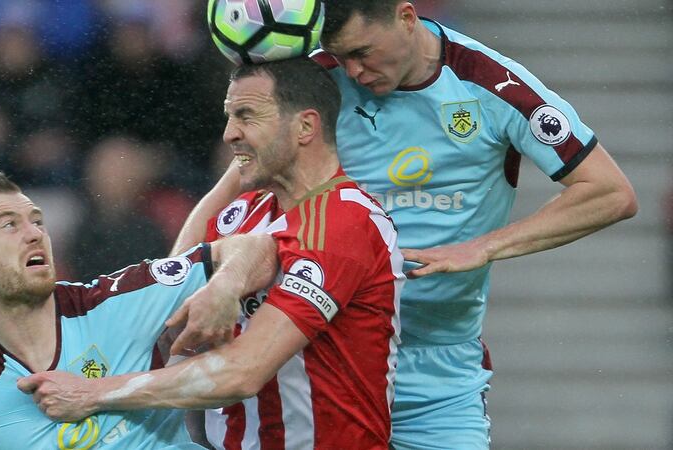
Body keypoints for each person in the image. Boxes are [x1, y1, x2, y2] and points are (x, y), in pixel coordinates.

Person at [169, 2, 639, 449]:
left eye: (361, 53)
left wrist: (484, 247)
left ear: (406, 17)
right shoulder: (323, 82)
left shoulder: (492, 86)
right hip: (322, 355)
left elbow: (610, 192)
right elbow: (229, 192)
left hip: (436, 371)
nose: (352, 71)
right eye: (340, 56)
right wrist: (171, 286)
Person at [18, 57, 405, 449]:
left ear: (305, 126)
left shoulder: (346, 222)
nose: (228, 134)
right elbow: (168, 286)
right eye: (228, 116)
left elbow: (244, 372)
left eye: (247, 116)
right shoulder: (244, 212)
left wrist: (93, 393)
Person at [0, 168, 278, 450]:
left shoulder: (114, 302)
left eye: (37, 221)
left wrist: (223, 288)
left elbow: (257, 250)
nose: (34, 233)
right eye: (9, 225)